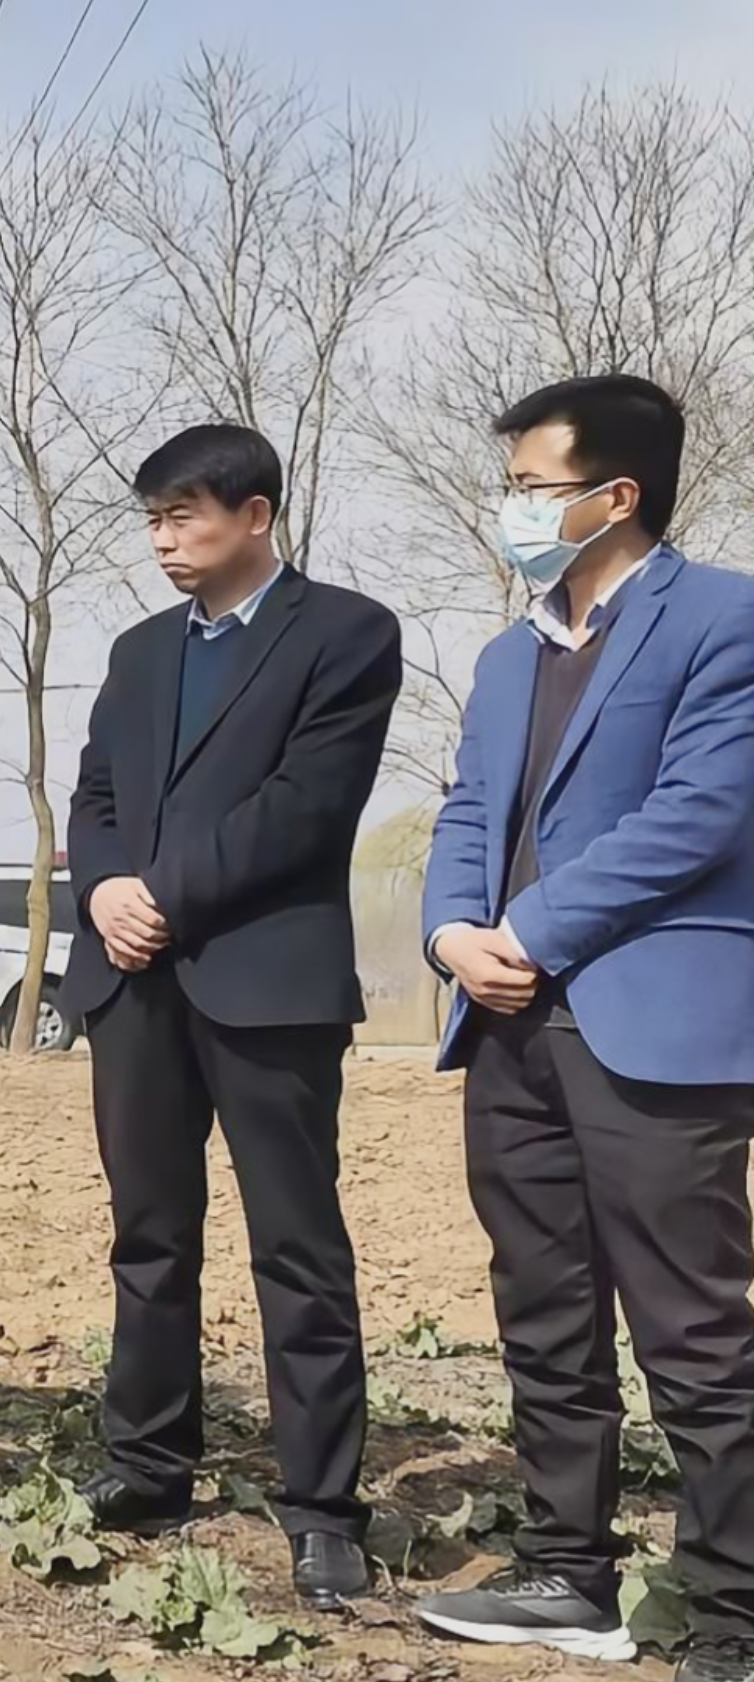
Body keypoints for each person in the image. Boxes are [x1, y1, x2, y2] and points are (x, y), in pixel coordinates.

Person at [414, 377, 754, 1682]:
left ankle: (731, 1609)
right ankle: (566, 1568)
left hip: (651, 1018)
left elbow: (699, 813)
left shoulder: (721, 618)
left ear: (615, 494)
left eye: (529, 486)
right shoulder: (510, 653)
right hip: (504, 1018)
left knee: (689, 1324)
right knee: (542, 1307)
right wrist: (452, 933)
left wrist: (531, 927)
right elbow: (467, 810)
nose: (509, 507)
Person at [66, 424, 400, 1610]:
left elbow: (305, 803)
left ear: (254, 515)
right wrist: (101, 888)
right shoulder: (138, 649)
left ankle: (320, 1506)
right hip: (132, 980)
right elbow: (94, 793)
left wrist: (161, 893)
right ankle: (147, 1461)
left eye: (183, 515)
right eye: (151, 519)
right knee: (147, 1235)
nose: (161, 539)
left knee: (294, 1246)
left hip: (264, 982)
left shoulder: (344, 632)